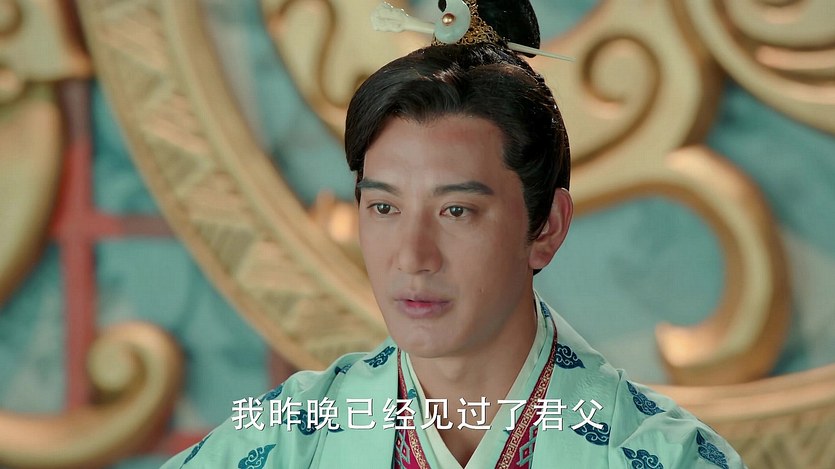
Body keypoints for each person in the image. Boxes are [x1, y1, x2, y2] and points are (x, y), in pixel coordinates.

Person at [163, 1, 746, 467]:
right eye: (384, 208)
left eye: (457, 211)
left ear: (547, 226)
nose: (412, 257)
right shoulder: (282, 444)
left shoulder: (664, 456)